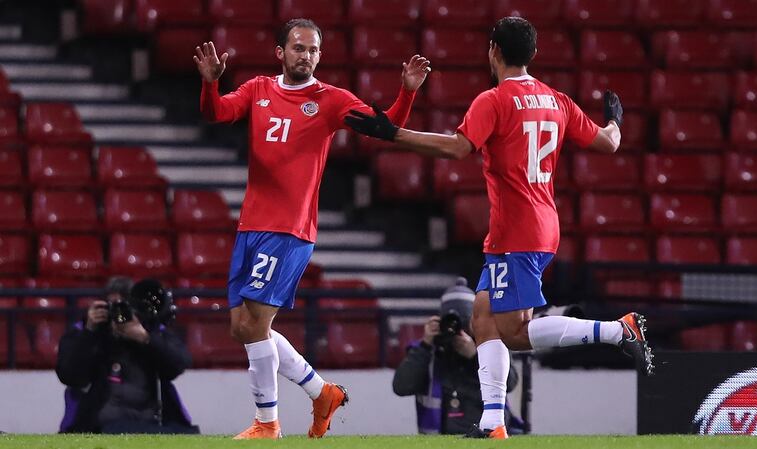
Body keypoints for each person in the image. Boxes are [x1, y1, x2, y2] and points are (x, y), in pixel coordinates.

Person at [345, 17, 654, 439]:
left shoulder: (493, 100)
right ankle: (492, 422)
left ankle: (619, 330)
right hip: (535, 224)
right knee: (483, 319)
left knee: (513, 331)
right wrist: (615, 118)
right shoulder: (556, 99)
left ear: (493, 50)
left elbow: (457, 149)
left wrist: (393, 134)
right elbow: (609, 142)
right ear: (533, 54)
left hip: (519, 231)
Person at [193, 18, 430, 439]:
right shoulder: (258, 89)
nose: (306, 56)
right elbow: (218, 113)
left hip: (289, 227)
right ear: (280, 52)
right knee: (241, 326)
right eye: (299, 48)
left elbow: (385, 126)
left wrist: (407, 92)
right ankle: (322, 393)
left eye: (314, 50)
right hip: (251, 224)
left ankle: (267, 423)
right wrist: (211, 84)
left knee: (256, 325)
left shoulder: (331, 100)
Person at [57, 278, 197, 434]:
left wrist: (145, 339)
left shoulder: (152, 331)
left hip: (148, 426)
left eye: (125, 307)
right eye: (114, 307)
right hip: (95, 428)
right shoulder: (86, 331)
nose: (119, 314)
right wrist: (90, 332)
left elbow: (179, 364)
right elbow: (68, 375)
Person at [392, 278, 523, 435]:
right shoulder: (430, 349)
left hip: (486, 434)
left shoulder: (490, 343)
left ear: (474, 321)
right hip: (439, 439)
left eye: (463, 322)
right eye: (450, 322)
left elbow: (510, 383)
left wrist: (476, 356)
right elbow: (401, 387)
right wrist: (425, 345)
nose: (455, 329)